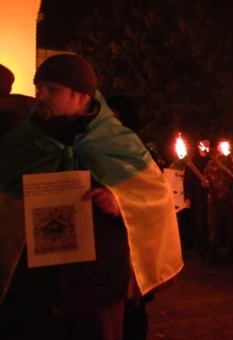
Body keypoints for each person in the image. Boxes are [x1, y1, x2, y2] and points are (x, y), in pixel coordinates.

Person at [0, 54, 183, 339]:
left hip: (98, 281)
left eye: (52, 89)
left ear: (81, 96)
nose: (41, 97)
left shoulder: (118, 142)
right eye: (39, 88)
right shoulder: (23, 141)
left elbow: (154, 194)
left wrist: (119, 200)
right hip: (37, 283)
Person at [203, 139, 233, 264]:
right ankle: (213, 254)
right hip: (214, 200)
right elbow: (205, 180)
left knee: (231, 227)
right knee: (214, 227)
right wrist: (205, 183)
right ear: (217, 148)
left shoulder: (231, 163)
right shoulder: (210, 164)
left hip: (229, 199)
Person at [183, 139, 211, 256]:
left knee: (210, 222)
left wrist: (210, 183)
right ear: (199, 147)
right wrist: (188, 196)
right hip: (197, 196)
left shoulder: (211, 161)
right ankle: (201, 248)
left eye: (208, 145)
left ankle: (210, 247)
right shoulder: (192, 162)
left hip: (210, 197)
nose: (206, 146)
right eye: (204, 145)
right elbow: (187, 181)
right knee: (199, 222)